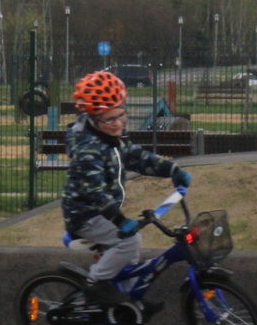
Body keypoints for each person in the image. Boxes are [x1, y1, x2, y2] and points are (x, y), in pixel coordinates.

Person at [61, 70, 191, 309]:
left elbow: (135, 156)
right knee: (130, 241)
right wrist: (119, 220)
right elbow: (95, 193)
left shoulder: (111, 136)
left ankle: (128, 303)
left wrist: (171, 169)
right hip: (85, 215)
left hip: (103, 211)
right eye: (109, 119)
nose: (118, 123)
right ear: (92, 118)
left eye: (122, 115)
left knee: (129, 255)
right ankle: (96, 284)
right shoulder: (88, 150)